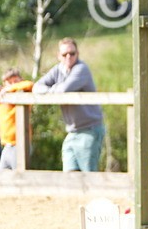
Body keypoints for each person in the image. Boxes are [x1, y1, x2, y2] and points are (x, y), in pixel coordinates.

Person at [34, 38, 106, 172]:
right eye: (64, 54)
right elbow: (37, 87)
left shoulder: (81, 69)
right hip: (72, 132)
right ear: (58, 56)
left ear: (77, 54)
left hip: (89, 130)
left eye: (72, 53)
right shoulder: (58, 70)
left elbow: (64, 89)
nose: (68, 57)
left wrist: (49, 91)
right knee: (69, 175)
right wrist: (52, 90)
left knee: (89, 177)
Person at [0, 67, 35, 171]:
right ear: (4, 83)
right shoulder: (2, 95)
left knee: (19, 177)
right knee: (2, 177)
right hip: (6, 145)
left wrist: (10, 88)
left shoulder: (24, 93)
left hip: (20, 144)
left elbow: (30, 84)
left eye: (15, 81)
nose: (13, 84)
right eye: (9, 82)